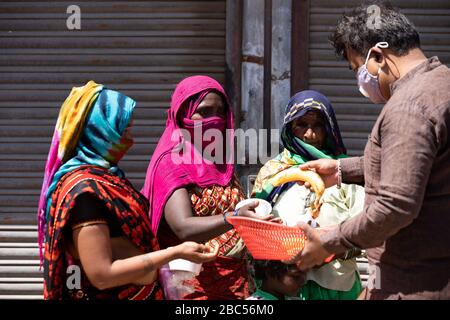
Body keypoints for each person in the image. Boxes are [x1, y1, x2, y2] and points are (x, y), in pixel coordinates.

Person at [290, 2, 450, 299]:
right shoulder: (442, 83)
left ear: (378, 56)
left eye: (358, 68)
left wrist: (331, 240)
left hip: (415, 283)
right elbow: (413, 163)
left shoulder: (409, 107)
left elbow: (395, 207)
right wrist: (341, 170)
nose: (361, 82)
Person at [38, 81, 218, 300]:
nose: (131, 141)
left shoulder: (108, 179)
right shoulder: (85, 192)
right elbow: (102, 274)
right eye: (125, 130)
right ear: (101, 132)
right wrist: (174, 252)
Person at [141, 75, 274, 300]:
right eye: (204, 112)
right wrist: (234, 217)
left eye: (220, 111)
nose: (215, 120)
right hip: (190, 286)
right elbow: (183, 227)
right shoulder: (171, 162)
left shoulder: (220, 162)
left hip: (235, 284)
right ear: (183, 115)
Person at [252, 90, 364, 300]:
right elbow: (256, 229)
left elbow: (366, 230)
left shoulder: (344, 172)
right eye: (301, 125)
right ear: (289, 128)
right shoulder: (273, 171)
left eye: (318, 125)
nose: (310, 135)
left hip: (338, 286)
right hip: (286, 285)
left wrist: (333, 250)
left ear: (329, 128)